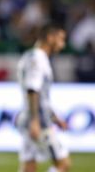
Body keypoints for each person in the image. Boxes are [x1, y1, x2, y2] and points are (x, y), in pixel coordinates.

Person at [16, 24, 71, 172]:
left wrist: (54, 117)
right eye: (60, 39)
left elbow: (41, 95)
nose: (63, 44)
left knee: (29, 166)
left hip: (31, 117)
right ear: (49, 37)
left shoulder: (31, 56)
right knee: (63, 164)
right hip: (38, 120)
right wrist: (35, 120)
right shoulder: (38, 59)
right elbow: (32, 89)